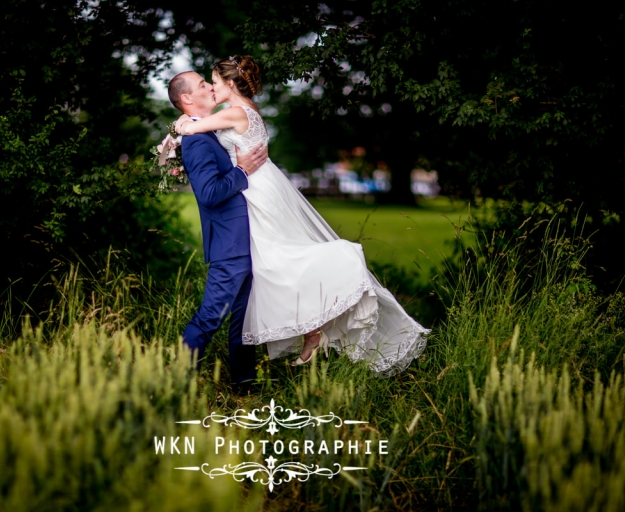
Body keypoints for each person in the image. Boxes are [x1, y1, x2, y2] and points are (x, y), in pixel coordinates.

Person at [174, 55, 429, 376]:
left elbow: (190, 125)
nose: (211, 87)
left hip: (255, 189)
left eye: (213, 81)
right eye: (205, 84)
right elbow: (198, 136)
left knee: (278, 260)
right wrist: (180, 139)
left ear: (230, 84)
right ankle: (309, 332)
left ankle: (316, 321)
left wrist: (177, 128)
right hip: (254, 188)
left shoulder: (235, 112)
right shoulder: (239, 111)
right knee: (273, 265)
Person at [167, 70, 268, 389]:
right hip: (229, 245)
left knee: (243, 321)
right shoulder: (196, 141)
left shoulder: (206, 132)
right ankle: (176, 383)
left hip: (243, 241)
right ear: (186, 99)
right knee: (210, 318)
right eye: (202, 85)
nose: (211, 87)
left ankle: (245, 383)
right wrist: (242, 171)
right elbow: (209, 194)